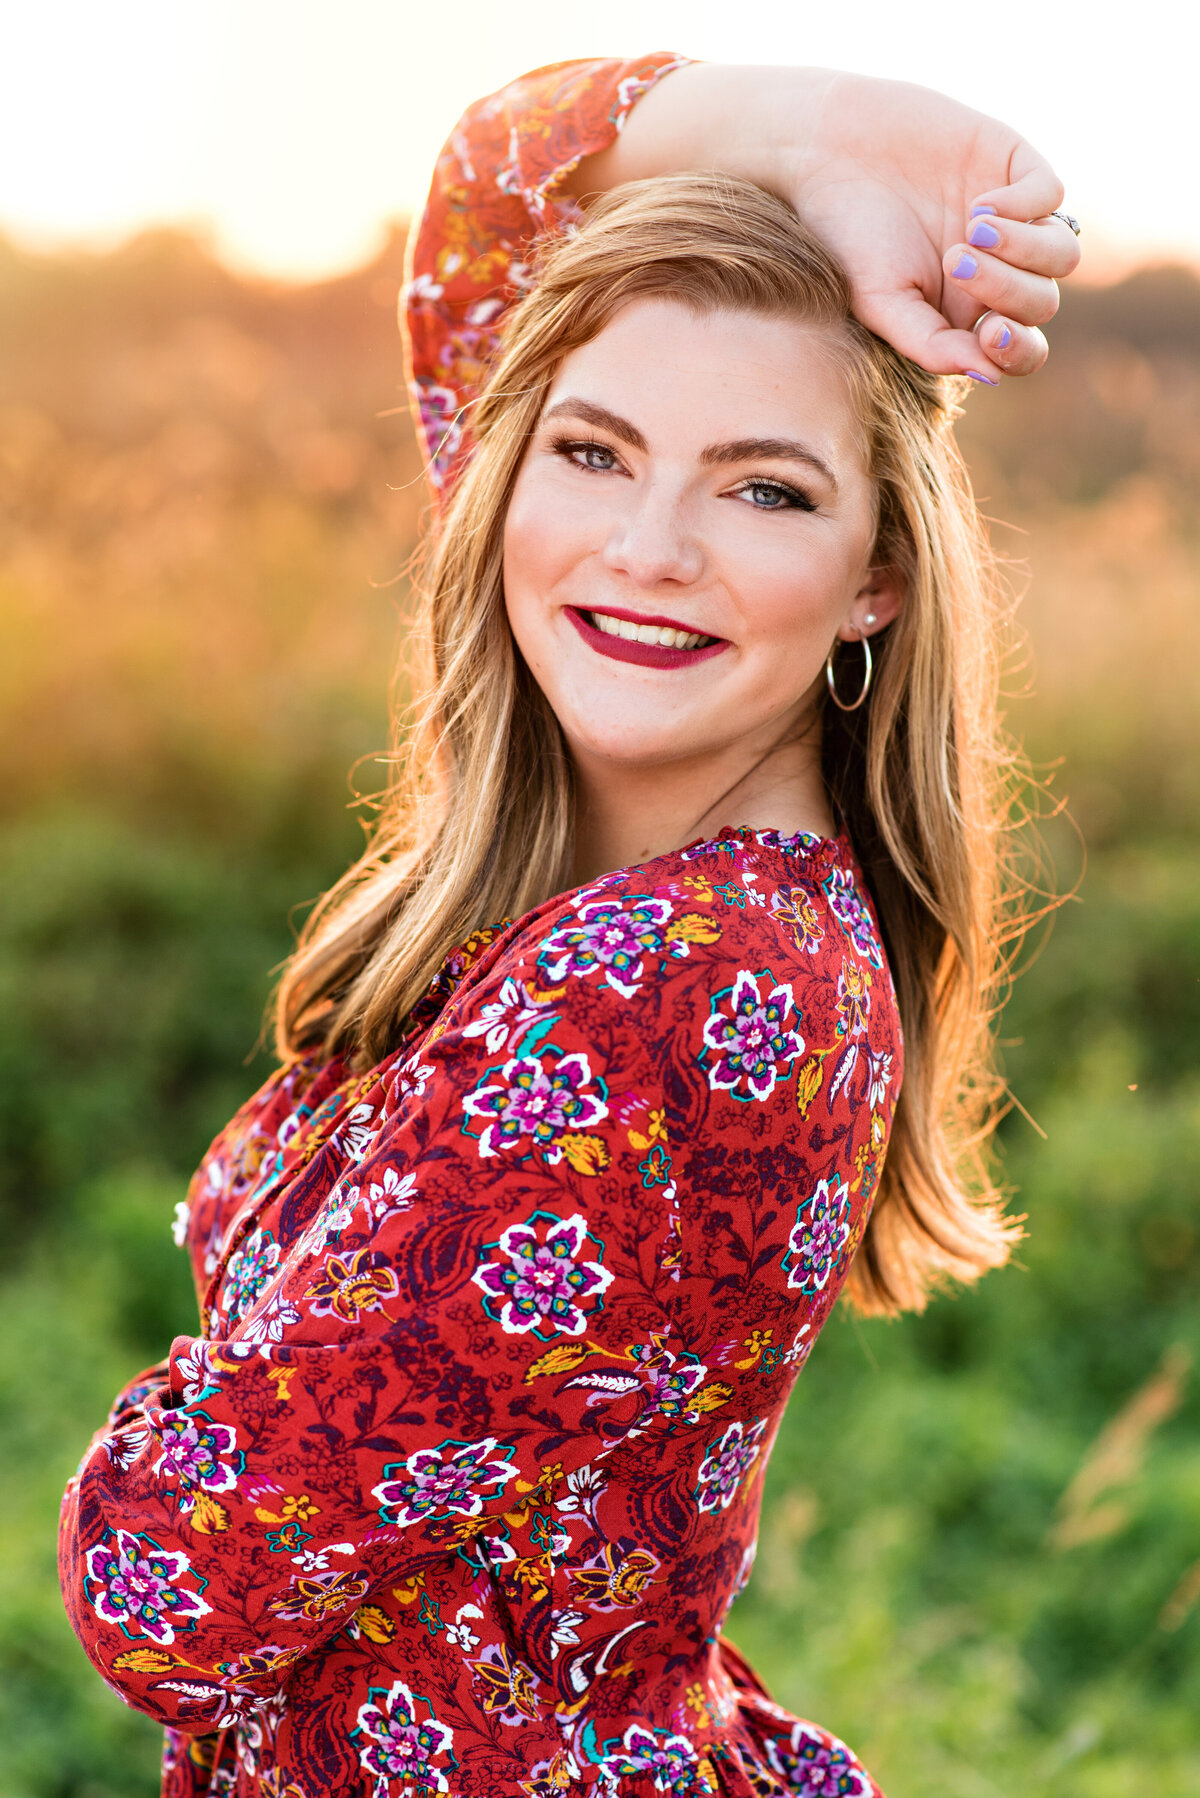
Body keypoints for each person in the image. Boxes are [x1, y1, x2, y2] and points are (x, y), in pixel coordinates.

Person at [58, 54, 1080, 1798]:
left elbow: (161, 1584)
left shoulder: (658, 991)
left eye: (766, 489)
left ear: (877, 578)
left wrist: (176, 1412)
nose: (649, 545)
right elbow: (488, 206)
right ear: (515, 478)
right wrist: (811, 144)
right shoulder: (691, 886)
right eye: (592, 451)